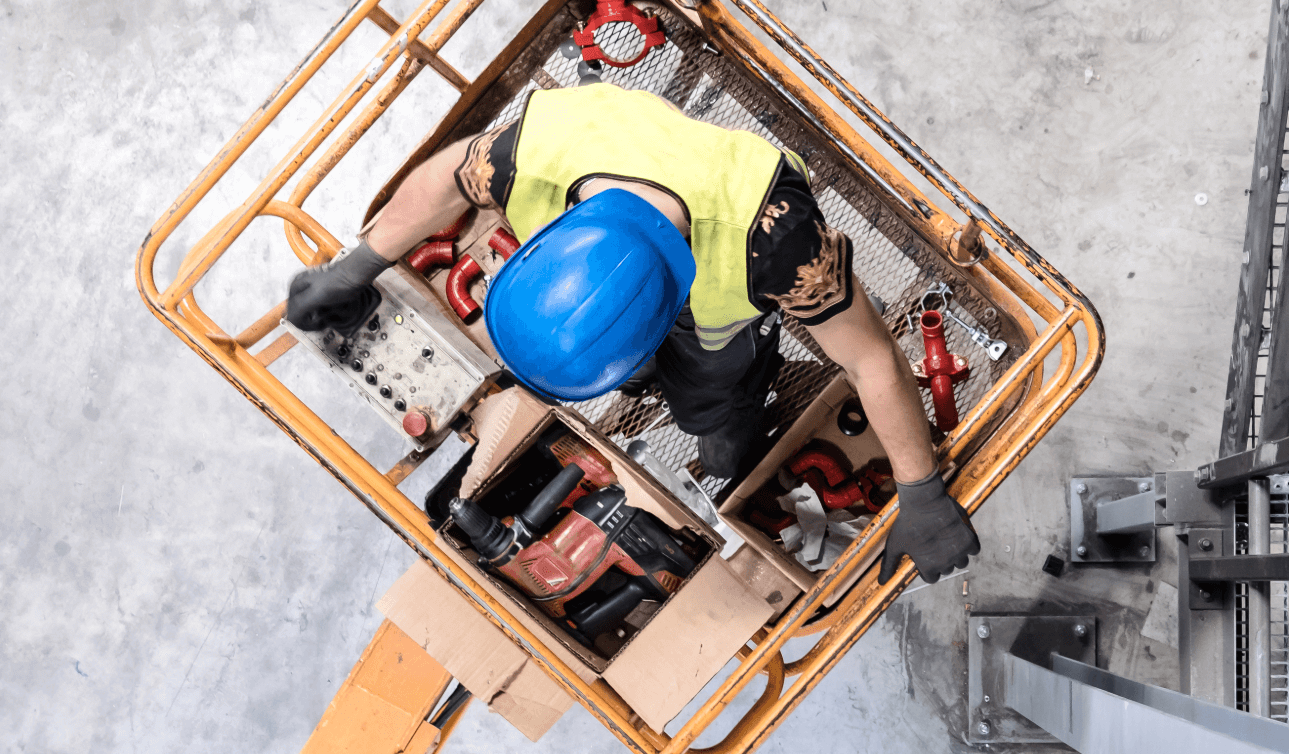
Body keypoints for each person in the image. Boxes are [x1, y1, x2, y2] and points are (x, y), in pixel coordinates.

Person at [283, 83, 979, 584]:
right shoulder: (541, 151)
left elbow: (871, 359)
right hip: (645, 226)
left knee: (710, 400)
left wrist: (922, 493)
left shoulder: (779, 247)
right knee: (677, 385)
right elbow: (448, 179)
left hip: (725, 287)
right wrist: (357, 266)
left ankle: (734, 411)